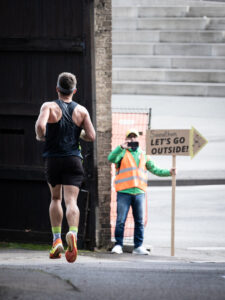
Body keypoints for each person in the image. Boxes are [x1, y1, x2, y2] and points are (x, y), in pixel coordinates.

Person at [35, 72, 95, 263]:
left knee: (55, 198)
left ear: (57, 89)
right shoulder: (82, 111)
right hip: (73, 160)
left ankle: (56, 240)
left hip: (54, 159)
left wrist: (42, 136)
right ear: (74, 91)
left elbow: (40, 127)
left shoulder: (49, 106)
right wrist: (79, 135)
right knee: (72, 202)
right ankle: (73, 235)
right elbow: (91, 136)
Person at [108, 128, 176, 255]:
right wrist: (120, 147)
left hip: (139, 192)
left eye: (134, 137)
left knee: (139, 221)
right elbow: (110, 158)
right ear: (126, 139)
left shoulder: (144, 155)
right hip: (124, 191)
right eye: (130, 137)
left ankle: (138, 246)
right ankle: (118, 245)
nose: (132, 139)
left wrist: (169, 172)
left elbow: (155, 169)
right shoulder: (122, 153)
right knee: (120, 220)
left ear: (137, 139)